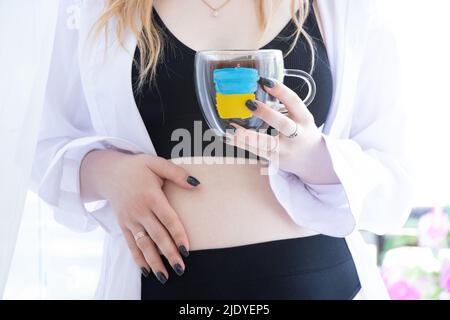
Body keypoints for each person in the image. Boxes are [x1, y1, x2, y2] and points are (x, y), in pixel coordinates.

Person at [31, 0, 413, 299]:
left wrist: (316, 158)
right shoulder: (88, 7)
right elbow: (36, 141)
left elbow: (394, 176)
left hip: (320, 281)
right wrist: (108, 173)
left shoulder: (351, 7)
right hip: (163, 284)